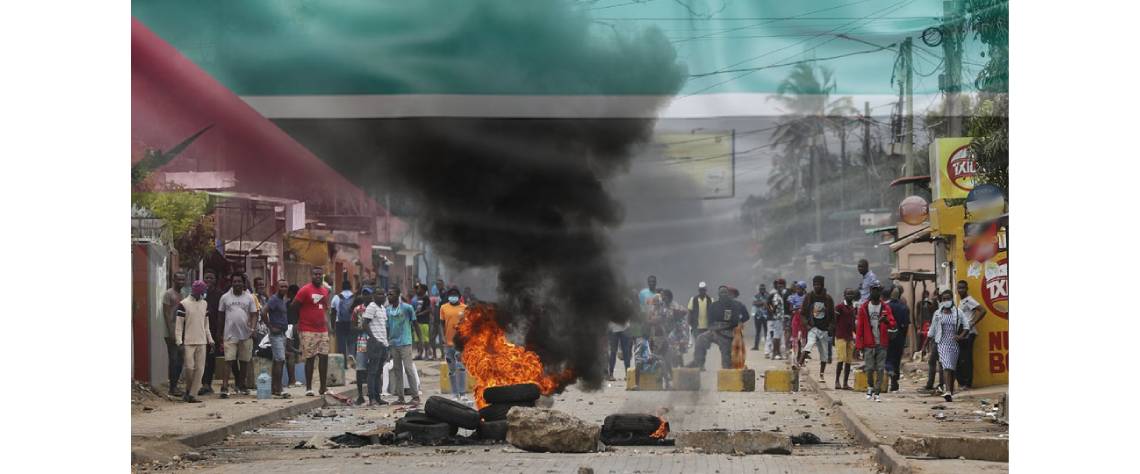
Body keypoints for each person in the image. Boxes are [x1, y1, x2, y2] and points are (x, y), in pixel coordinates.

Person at [291, 268, 332, 397]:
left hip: (322, 330)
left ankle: (323, 387)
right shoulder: (304, 290)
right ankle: (309, 388)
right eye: (315, 274)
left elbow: (325, 309)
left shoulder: (325, 291)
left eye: (320, 274)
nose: (318, 276)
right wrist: (298, 322)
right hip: (307, 329)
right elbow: (294, 306)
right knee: (310, 358)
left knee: (324, 357)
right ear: (311, 275)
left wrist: (328, 325)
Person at [687, 285, 749, 370]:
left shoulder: (734, 306)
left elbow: (735, 321)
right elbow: (710, 321)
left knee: (726, 361)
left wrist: (726, 326)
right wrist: (714, 328)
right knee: (700, 339)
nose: (723, 294)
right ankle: (698, 362)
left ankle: (728, 369)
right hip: (714, 332)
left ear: (728, 294)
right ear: (718, 294)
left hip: (727, 334)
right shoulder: (714, 305)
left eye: (725, 293)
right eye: (721, 293)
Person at [923, 289, 969, 402]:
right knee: (946, 365)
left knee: (952, 368)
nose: (946, 301)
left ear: (952, 300)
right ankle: (947, 390)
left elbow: (967, 326)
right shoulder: (937, 314)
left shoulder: (958, 312)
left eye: (948, 299)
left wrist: (961, 336)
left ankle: (950, 392)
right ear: (941, 301)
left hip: (954, 343)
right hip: (942, 343)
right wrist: (924, 347)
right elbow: (932, 331)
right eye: (944, 299)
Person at [854, 280, 895, 402]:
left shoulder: (886, 307)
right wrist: (858, 345)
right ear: (870, 291)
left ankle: (877, 392)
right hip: (868, 343)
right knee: (870, 368)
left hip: (882, 343)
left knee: (881, 368)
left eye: (877, 289)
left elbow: (893, 323)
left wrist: (886, 321)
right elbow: (860, 327)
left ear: (880, 291)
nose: (875, 292)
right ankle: (870, 387)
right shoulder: (864, 308)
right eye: (873, 289)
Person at [219, 274, 258, 398]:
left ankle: (241, 386)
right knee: (228, 360)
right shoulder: (225, 297)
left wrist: (252, 328)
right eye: (235, 281)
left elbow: (254, 314)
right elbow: (220, 316)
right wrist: (219, 333)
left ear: (243, 283)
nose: (237, 283)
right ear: (232, 283)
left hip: (246, 335)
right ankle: (224, 387)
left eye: (239, 281)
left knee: (244, 361)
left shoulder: (250, 297)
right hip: (229, 334)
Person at [176, 280, 214, 403]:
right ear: (196, 291)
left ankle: (192, 395)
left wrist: (210, 340)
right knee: (189, 368)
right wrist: (179, 342)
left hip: (202, 341)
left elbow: (206, 325)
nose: (203, 294)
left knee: (200, 369)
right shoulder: (183, 304)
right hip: (188, 342)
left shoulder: (204, 304)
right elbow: (179, 326)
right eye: (202, 292)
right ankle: (188, 390)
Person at [385, 287, 420, 405]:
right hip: (393, 343)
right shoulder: (388, 310)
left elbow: (415, 323)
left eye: (391, 294)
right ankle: (400, 397)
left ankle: (415, 396)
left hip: (405, 342)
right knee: (397, 370)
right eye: (388, 294)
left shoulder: (407, 308)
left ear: (398, 295)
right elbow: (387, 327)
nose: (389, 296)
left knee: (409, 369)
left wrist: (419, 340)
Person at [798, 276, 835, 383]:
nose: (816, 286)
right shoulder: (809, 297)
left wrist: (830, 328)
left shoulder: (828, 298)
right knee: (809, 344)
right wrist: (807, 325)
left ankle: (821, 375)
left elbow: (833, 316)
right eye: (815, 284)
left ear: (822, 285)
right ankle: (799, 364)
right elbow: (803, 313)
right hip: (813, 328)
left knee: (824, 354)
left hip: (824, 329)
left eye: (818, 284)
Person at [955, 280, 987, 390]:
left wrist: (973, 322)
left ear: (967, 288)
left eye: (963, 288)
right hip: (962, 332)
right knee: (961, 359)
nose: (961, 290)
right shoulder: (962, 301)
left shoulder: (969, 300)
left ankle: (967, 384)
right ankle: (963, 383)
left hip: (969, 333)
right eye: (959, 288)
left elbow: (983, 310)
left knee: (966, 359)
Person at [439, 288, 469, 401]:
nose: (453, 296)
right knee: (451, 369)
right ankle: (455, 394)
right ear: (448, 296)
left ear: (459, 296)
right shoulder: (443, 308)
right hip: (448, 343)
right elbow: (441, 324)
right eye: (451, 295)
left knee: (460, 367)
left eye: (455, 295)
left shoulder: (464, 308)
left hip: (460, 343)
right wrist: (442, 337)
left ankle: (463, 393)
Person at [361, 287, 389, 406]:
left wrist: (386, 342)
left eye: (383, 294)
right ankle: (372, 398)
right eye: (379, 294)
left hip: (383, 343)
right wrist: (373, 338)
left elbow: (384, 326)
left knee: (379, 372)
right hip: (374, 343)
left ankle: (378, 397)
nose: (381, 296)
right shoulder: (372, 307)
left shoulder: (383, 308)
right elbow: (365, 324)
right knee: (372, 371)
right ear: (374, 296)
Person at [265, 279, 292, 398]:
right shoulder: (274, 299)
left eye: (286, 287)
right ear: (277, 287)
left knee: (277, 361)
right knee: (280, 360)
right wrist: (270, 327)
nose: (284, 289)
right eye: (281, 286)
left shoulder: (282, 300)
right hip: (276, 334)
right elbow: (263, 312)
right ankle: (279, 388)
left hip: (282, 334)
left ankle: (274, 388)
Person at [162, 272, 187, 397]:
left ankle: (175, 385)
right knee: (173, 359)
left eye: (183, 279)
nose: (181, 281)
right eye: (179, 279)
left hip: (180, 331)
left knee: (180, 359)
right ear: (174, 280)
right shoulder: (168, 294)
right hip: (171, 332)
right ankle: (172, 388)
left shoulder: (183, 294)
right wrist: (172, 332)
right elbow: (166, 314)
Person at [199, 269, 223, 396]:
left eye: (211, 278)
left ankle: (208, 383)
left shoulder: (219, 294)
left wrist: (219, 332)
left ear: (215, 280)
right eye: (206, 278)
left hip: (213, 330)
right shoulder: (199, 294)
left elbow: (221, 314)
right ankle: (202, 383)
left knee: (210, 358)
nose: (208, 280)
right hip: (199, 329)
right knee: (200, 358)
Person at [351, 287, 375, 405]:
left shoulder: (377, 308)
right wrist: (360, 328)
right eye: (364, 294)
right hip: (361, 340)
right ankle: (360, 395)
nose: (366, 297)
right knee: (360, 368)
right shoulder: (357, 309)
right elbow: (352, 326)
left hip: (374, 340)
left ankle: (374, 395)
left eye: (368, 294)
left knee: (373, 368)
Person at [885, 287, 911, 392]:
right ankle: (894, 382)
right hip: (899, 336)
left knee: (888, 357)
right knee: (897, 359)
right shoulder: (904, 307)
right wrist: (903, 337)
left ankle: (890, 373)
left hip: (887, 336)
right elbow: (905, 325)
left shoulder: (886, 306)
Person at [833, 288, 858, 390]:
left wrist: (857, 335)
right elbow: (834, 321)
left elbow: (853, 323)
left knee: (848, 361)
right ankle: (837, 381)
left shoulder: (853, 307)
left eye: (851, 294)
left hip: (849, 337)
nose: (850, 296)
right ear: (844, 295)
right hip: (840, 336)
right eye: (848, 294)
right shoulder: (839, 307)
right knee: (841, 359)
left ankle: (845, 383)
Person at [767, 279, 790, 360]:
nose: (781, 287)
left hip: (780, 318)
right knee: (776, 337)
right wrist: (773, 312)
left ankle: (777, 353)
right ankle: (775, 353)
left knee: (779, 336)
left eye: (782, 286)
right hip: (777, 319)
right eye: (779, 286)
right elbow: (772, 305)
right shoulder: (777, 296)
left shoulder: (781, 295)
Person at [285, 284, 301, 387]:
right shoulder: (298, 304)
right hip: (293, 330)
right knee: (291, 353)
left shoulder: (287, 304)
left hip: (289, 329)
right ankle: (292, 380)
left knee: (291, 354)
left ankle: (293, 379)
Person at [413, 283, 434, 361]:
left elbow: (429, 309)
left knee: (425, 339)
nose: (418, 289)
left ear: (423, 290)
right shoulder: (419, 298)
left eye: (419, 288)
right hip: (418, 321)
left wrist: (420, 314)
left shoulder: (426, 298)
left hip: (424, 321)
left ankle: (427, 354)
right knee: (418, 339)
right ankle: (420, 354)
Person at [788, 282, 807, 363]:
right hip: (796, 319)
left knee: (803, 340)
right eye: (797, 288)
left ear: (803, 289)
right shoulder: (793, 297)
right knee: (795, 340)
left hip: (804, 320)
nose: (798, 290)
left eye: (799, 288)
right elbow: (790, 309)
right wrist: (798, 307)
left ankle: (802, 359)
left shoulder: (806, 297)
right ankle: (794, 359)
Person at [751, 284, 769, 351]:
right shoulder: (756, 295)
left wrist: (760, 303)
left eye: (763, 288)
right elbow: (754, 303)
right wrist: (763, 303)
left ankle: (767, 347)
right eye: (761, 288)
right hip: (758, 316)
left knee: (766, 331)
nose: (762, 290)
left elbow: (769, 304)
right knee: (758, 331)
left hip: (766, 316)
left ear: (765, 289)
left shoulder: (768, 295)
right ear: (759, 289)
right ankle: (756, 346)